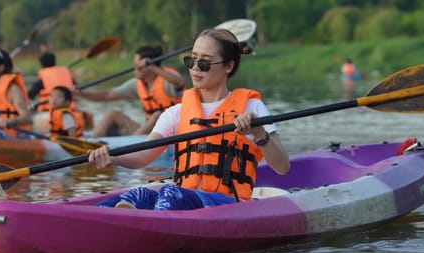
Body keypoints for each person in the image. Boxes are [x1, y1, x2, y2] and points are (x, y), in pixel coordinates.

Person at [87, 28, 290, 211]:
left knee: (171, 193)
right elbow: (144, 155)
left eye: (204, 62)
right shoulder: (177, 112)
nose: (194, 68)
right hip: (183, 198)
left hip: (227, 204)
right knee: (138, 194)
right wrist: (114, 158)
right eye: (191, 60)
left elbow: (282, 167)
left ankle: (149, 229)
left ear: (228, 65)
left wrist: (259, 133)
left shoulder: (251, 107)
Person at [76, 45, 184, 138]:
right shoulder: (136, 84)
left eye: (137, 66)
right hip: (148, 133)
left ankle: (131, 147)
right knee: (113, 114)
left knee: (157, 115)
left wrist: (153, 67)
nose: (134, 69)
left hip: (172, 133)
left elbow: (180, 82)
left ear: (148, 67)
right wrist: (79, 93)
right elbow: (107, 95)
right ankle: (92, 144)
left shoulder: (168, 80)